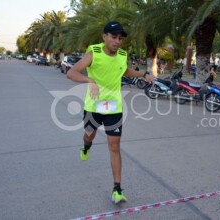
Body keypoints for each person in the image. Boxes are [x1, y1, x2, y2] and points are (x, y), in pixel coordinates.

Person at [66, 21, 155, 204]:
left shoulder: (122, 55)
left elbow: (125, 71)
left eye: (120, 38)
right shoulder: (94, 53)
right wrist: (89, 80)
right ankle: (86, 145)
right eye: (114, 37)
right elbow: (72, 73)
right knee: (89, 135)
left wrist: (143, 74)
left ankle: (117, 188)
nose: (117, 41)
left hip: (113, 106)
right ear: (104, 37)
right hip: (93, 106)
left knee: (114, 146)